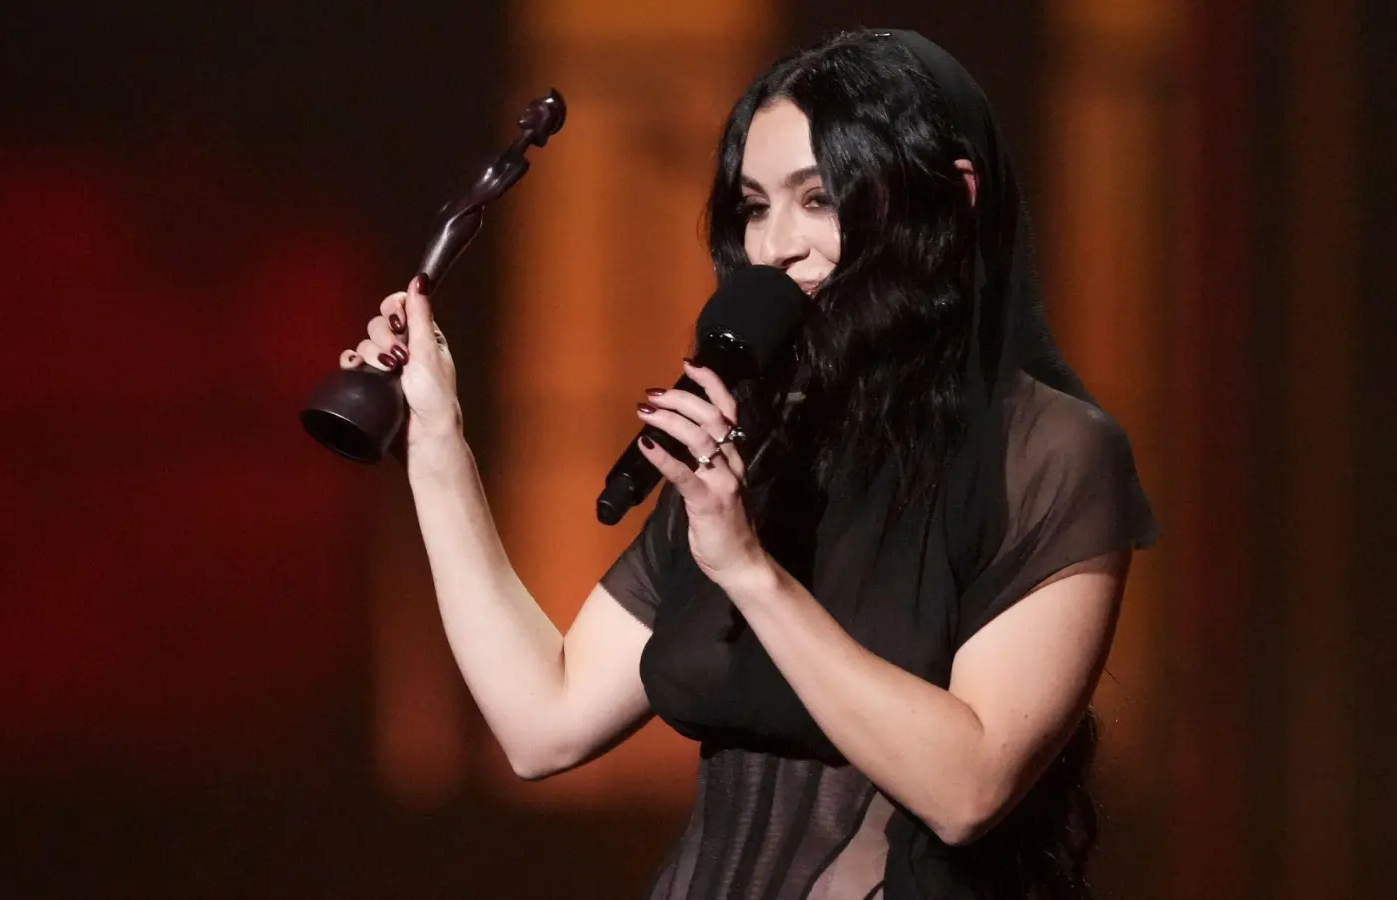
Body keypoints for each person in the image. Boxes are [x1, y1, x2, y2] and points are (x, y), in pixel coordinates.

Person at [340, 28, 1157, 900]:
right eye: (755, 206)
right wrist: (436, 438)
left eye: (820, 199)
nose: (776, 247)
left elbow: (968, 789)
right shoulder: (757, 447)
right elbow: (543, 722)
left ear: (951, 200)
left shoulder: (1052, 453)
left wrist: (749, 571)